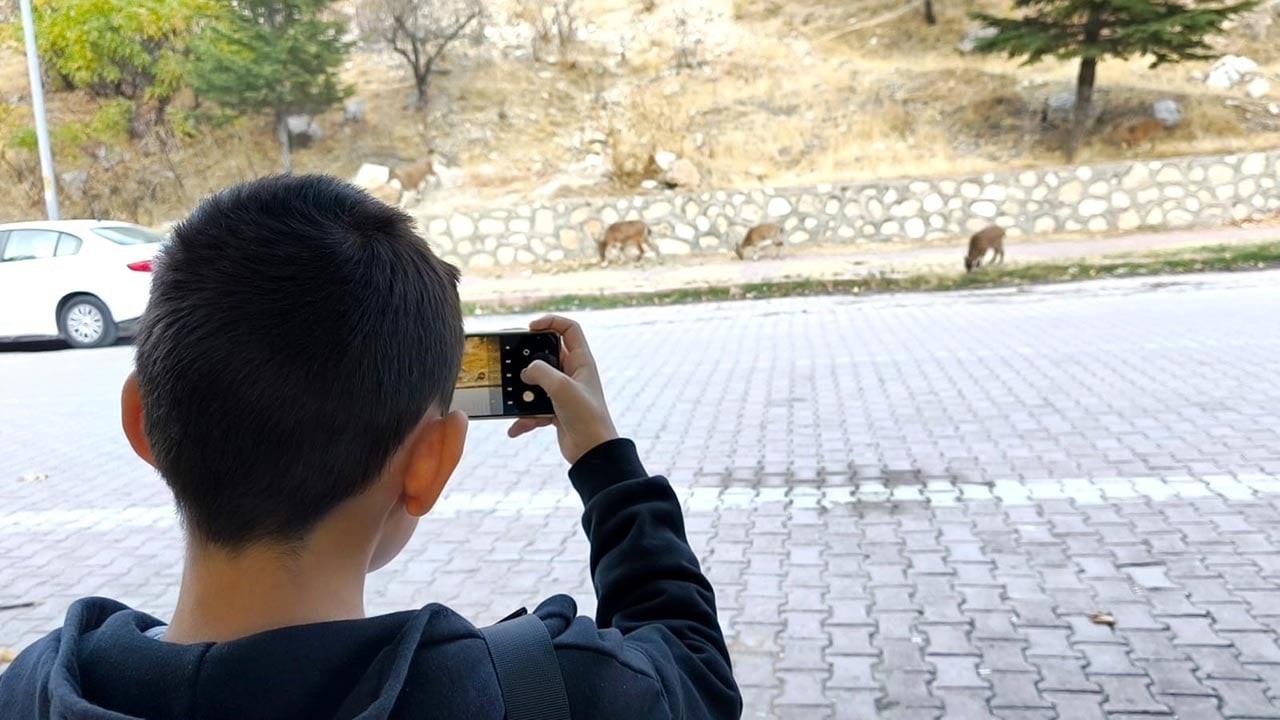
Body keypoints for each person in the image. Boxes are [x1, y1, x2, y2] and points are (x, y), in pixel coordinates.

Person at [0, 175, 741, 719]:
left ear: (144, 424)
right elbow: (694, 669)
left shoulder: (32, 691)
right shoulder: (551, 692)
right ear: (428, 466)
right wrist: (605, 462)